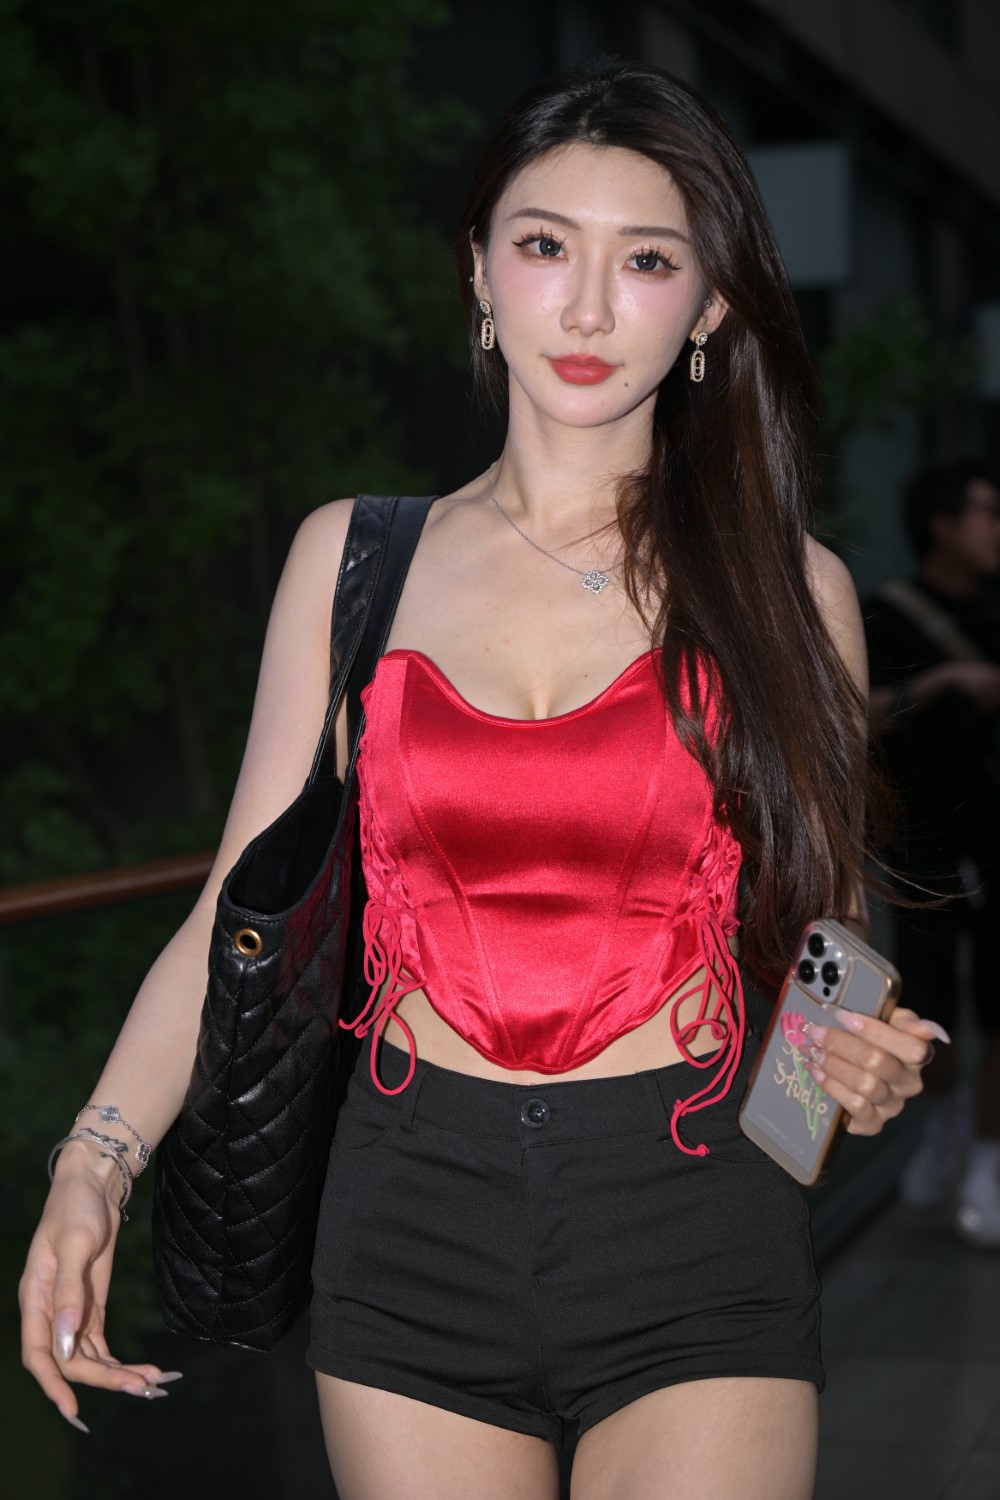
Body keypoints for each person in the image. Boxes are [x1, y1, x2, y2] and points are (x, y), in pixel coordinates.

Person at [21, 59, 942, 1500]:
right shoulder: (351, 561)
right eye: (545, 245)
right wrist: (95, 1160)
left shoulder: (788, 588)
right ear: (480, 271)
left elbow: (830, 944)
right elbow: (229, 921)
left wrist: (846, 1077)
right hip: (408, 1216)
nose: (588, 309)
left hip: (697, 1215)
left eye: (647, 261)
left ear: (708, 307)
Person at [864, 462, 1000, 1247]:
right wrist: (942, 683)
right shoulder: (885, 614)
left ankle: (987, 1155)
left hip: (996, 827)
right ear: (943, 525)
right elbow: (852, 716)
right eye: (988, 511)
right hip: (920, 835)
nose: (997, 526)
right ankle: (948, 1118)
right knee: (931, 995)